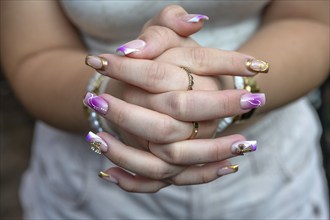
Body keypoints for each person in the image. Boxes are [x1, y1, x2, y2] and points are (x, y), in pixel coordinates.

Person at [1, 1, 329, 219]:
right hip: (88, 192)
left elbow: (311, 20)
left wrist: (224, 90)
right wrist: (116, 98)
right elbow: (34, 52)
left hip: (270, 182)